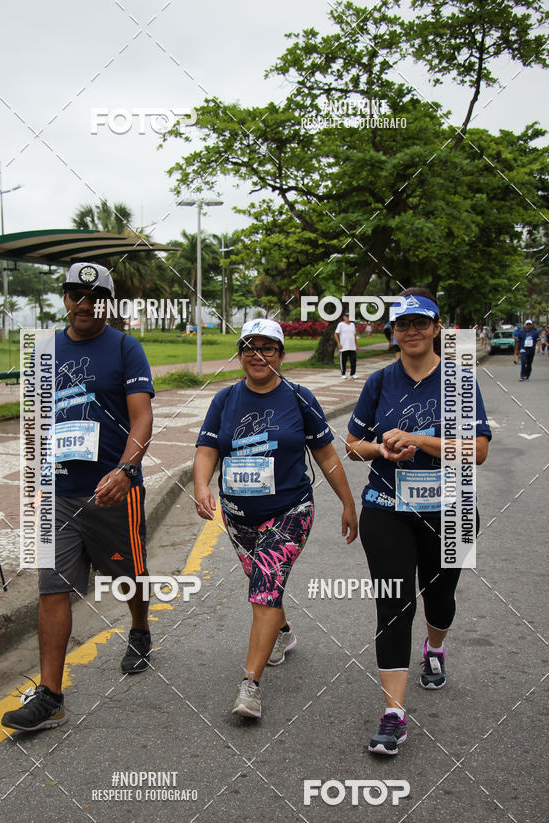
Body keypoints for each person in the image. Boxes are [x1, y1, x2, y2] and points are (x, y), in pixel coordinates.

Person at [2, 262, 155, 732]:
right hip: (57, 493)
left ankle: (140, 628)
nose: (84, 303)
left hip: (112, 491)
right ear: (65, 298)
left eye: (94, 296)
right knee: (51, 589)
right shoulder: (44, 350)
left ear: (106, 302)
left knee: (128, 576)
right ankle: (51, 694)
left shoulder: (127, 348)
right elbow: (36, 420)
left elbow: (142, 417)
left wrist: (127, 469)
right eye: (75, 294)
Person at [345, 289, 491, 755]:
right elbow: (352, 443)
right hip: (386, 507)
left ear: (436, 329)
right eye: (402, 325)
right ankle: (393, 715)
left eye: (419, 323)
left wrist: (420, 441)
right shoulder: (379, 381)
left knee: (441, 597)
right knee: (393, 606)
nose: (410, 332)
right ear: (393, 332)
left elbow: (479, 451)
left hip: (453, 508)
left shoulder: (460, 380)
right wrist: (381, 449)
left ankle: (435, 648)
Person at [193, 318, 358, 719]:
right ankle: (283, 633)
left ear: (281, 356)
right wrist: (201, 486)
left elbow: (327, 456)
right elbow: (206, 449)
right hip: (238, 516)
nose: (258, 356)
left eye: (268, 349)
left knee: (264, 588)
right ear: (240, 354)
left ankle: (250, 685)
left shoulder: (299, 398)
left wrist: (348, 503)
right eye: (250, 347)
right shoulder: (225, 399)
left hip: (290, 511)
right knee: (263, 584)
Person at [334, 311, 358, 378]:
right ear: (344, 317)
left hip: (352, 346)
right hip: (344, 346)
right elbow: (336, 334)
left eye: (349, 317)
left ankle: (353, 373)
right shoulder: (340, 324)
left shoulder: (352, 325)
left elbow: (355, 335)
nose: (348, 318)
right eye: (346, 316)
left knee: (353, 361)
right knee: (343, 361)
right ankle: (343, 374)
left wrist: (356, 345)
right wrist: (338, 343)